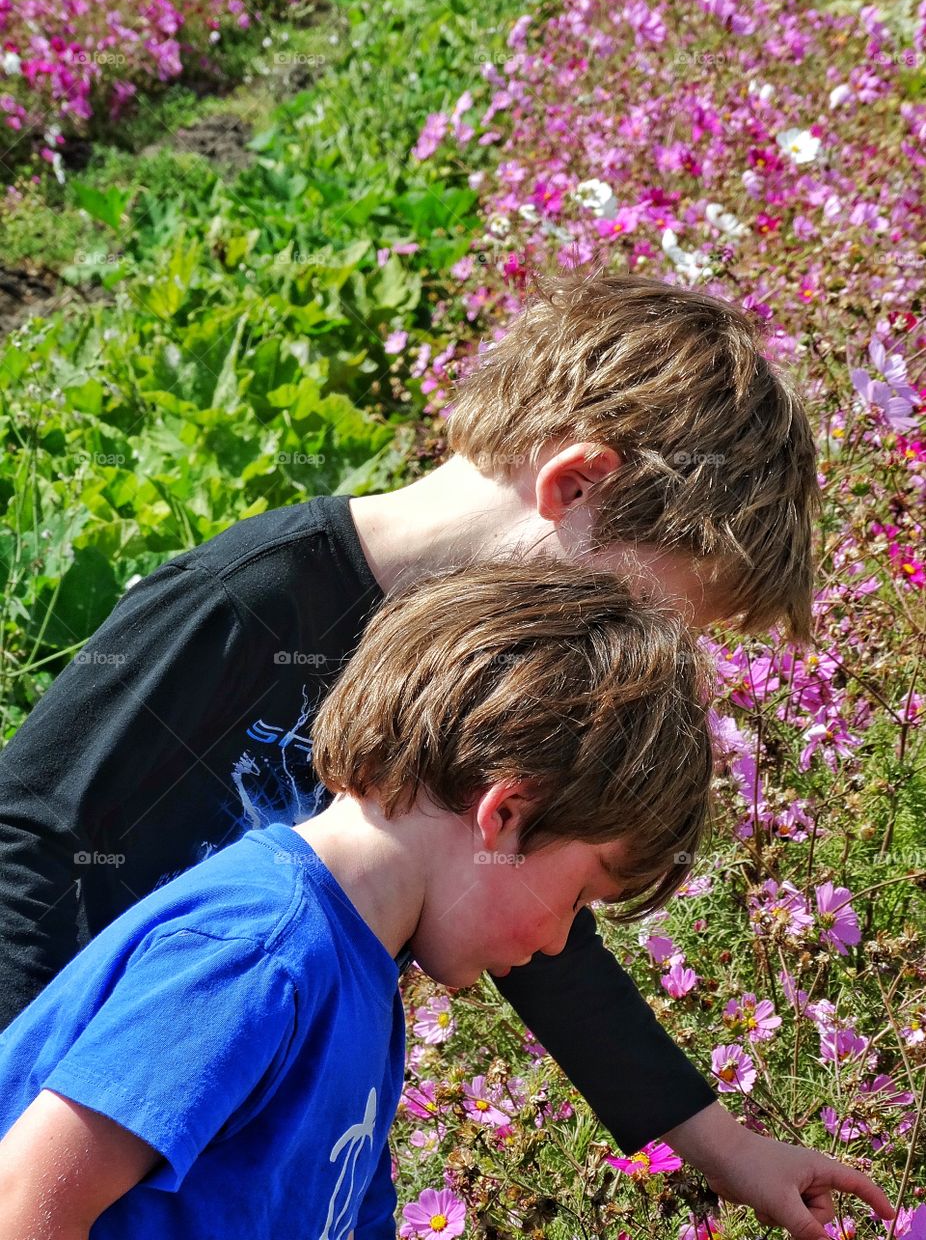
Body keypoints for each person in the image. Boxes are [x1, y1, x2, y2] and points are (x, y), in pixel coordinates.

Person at [0, 270, 834, 1229]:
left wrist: (718, 1143)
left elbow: (538, 919)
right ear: (575, 487)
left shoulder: (487, 706)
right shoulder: (245, 600)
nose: (643, 650)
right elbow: (33, 828)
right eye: (647, 610)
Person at [0, 561, 894, 1239]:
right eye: (579, 897)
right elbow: (24, 1206)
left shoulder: (359, 976)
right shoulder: (260, 955)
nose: (557, 945)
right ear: (504, 816)